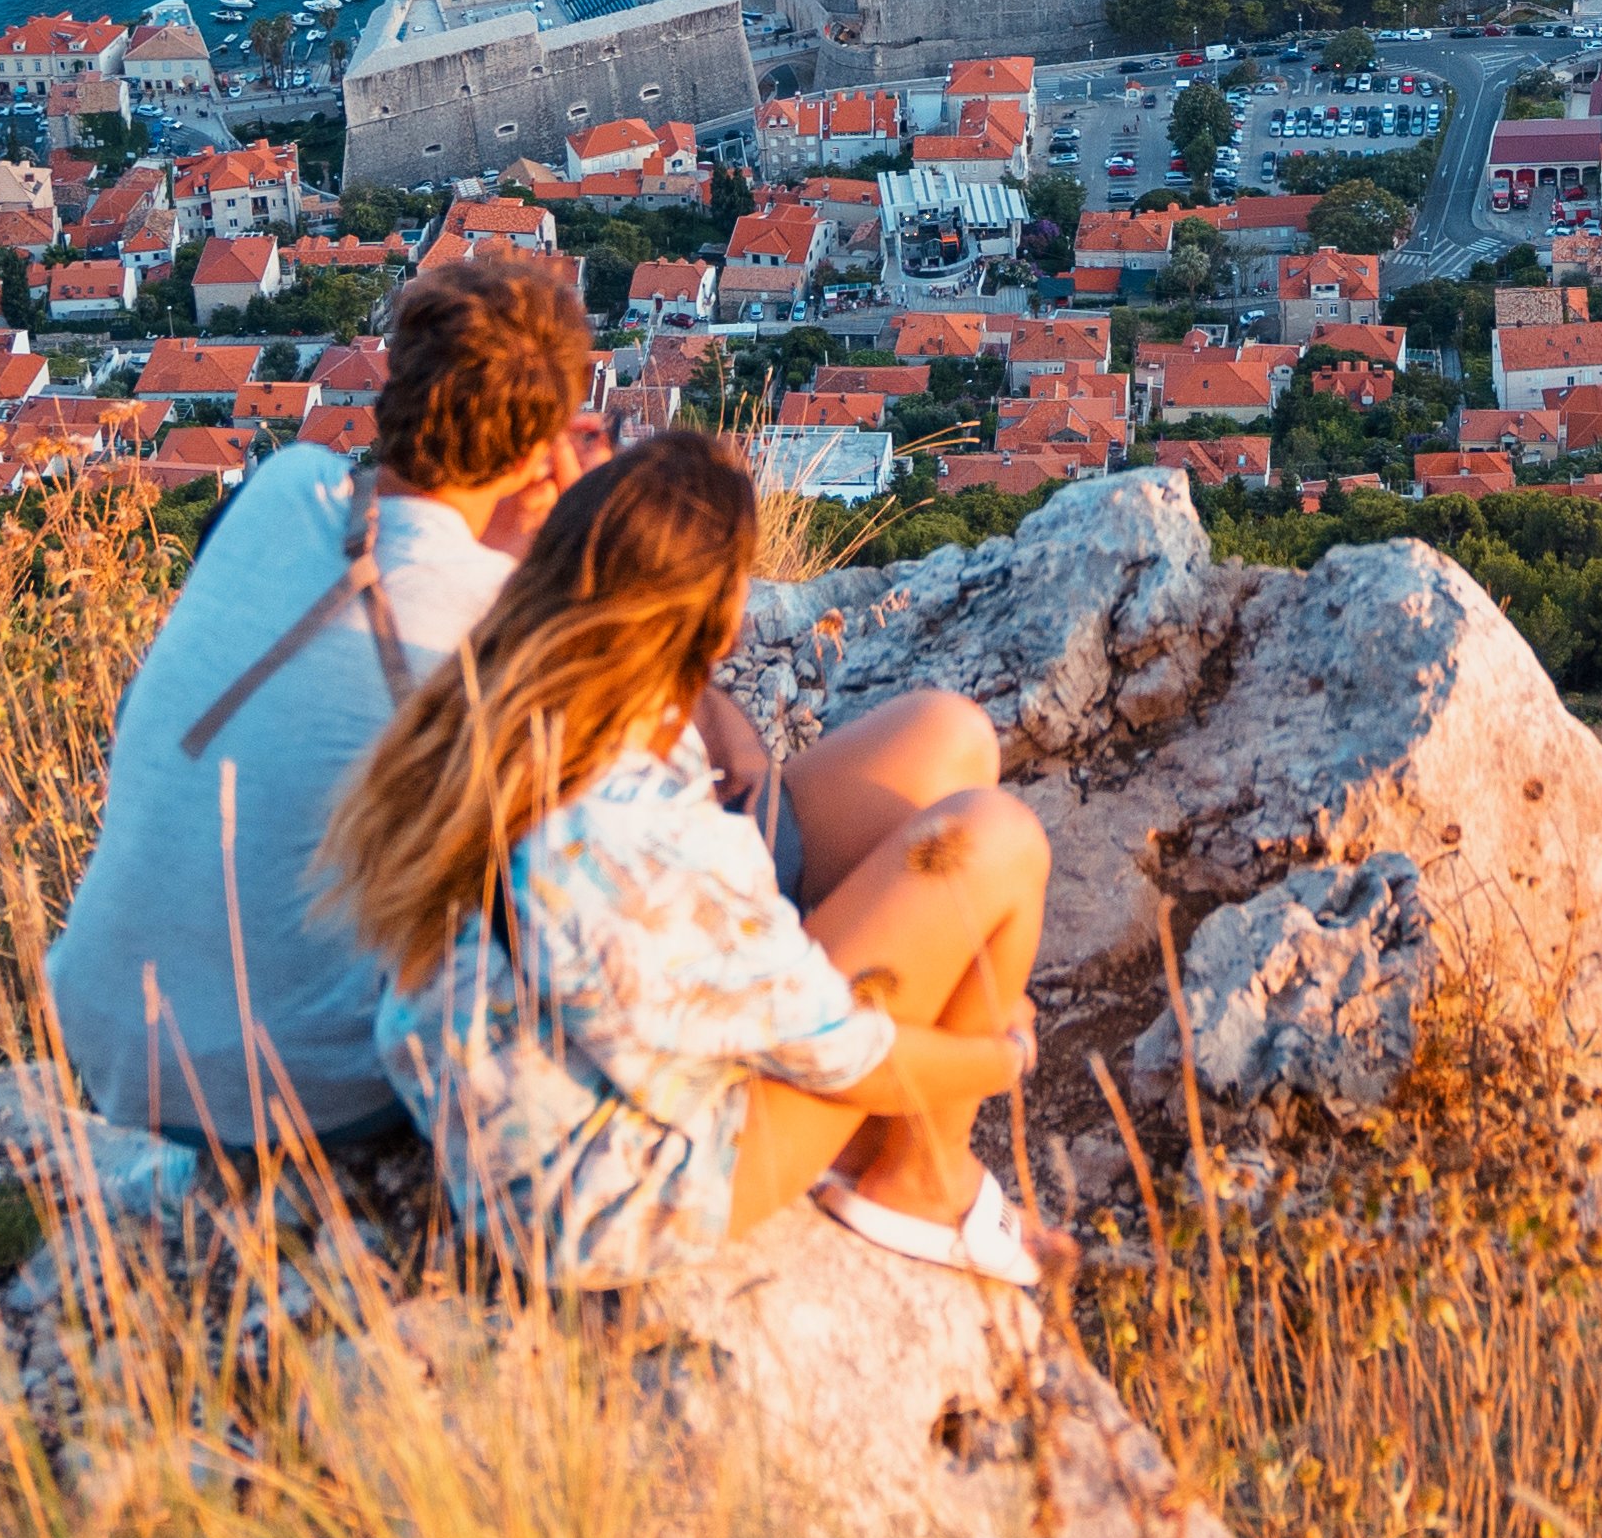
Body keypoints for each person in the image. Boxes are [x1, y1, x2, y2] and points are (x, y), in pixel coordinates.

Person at [44, 256, 992, 1159]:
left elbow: (384, 534)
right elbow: (685, 850)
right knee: (938, 745)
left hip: (111, 1050)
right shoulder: (509, 639)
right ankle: (867, 1136)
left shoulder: (280, 491)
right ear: (544, 457)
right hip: (310, 1096)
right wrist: (594, 560)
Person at [325, 431, 1056, 1288]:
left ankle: (877, 1146)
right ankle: (921, 1184)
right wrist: (999, 1052)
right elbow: (838, 1048)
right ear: (716, 627)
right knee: (999, 841)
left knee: (939, 742)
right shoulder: (633, 836)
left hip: (562, 1085)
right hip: (615, 1189)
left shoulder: (520, 694)